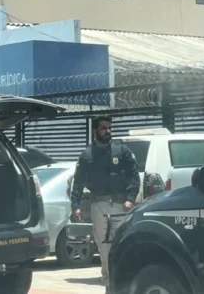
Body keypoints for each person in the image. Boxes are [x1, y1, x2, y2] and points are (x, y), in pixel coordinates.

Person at [70, 116, 140, 294]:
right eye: (103, 128)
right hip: (98, 205)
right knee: (104, 247)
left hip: (120, 206)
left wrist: (130, 198)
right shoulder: (87, 155)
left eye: (109, 128)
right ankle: (109, 285)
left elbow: (134, 175)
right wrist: (75, 205)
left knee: (122, 244)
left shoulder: (122, 150)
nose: (107, 131)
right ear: (95, 131)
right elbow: (78, 182)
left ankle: (125, 284)